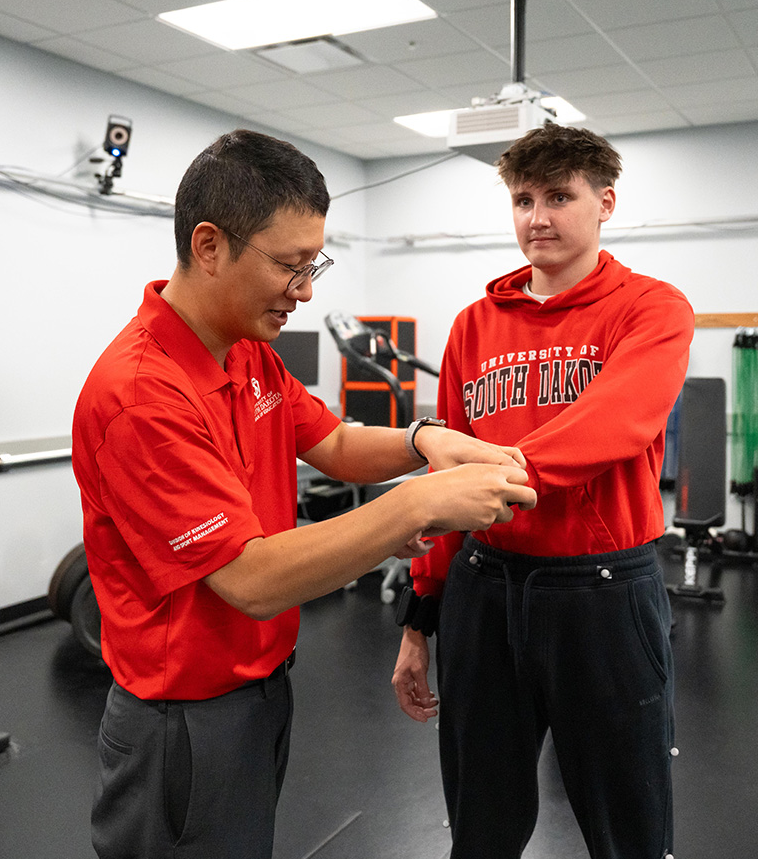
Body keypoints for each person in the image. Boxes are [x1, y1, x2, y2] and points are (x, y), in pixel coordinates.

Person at [71, 128, 536, 859]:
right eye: (290, 265)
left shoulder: (246, 349)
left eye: (313, 263)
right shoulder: (141, 394)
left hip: (261, 692)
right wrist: (416, 505)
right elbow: (250, 578)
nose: (308, 290)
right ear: (209, 245)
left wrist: (425, 440)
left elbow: (335, 442)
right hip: (183, 720)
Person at [391, 123, 694, 859]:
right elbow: (444, 474)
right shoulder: (474, 325)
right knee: (480, 824)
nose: (538, 217)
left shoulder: (651, 309)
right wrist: (418, 615)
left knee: (629, 827)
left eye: (560, 196)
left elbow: (613, 426)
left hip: (601, 595)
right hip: (482, 592)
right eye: (524, 199)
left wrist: (473, 483)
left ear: (605, 203)